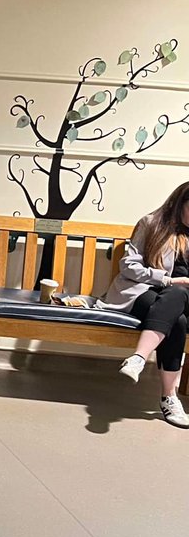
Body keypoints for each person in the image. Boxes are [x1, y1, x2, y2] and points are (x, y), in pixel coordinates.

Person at [101, 181, 189, 427]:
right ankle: (169, 398)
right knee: (176, 315)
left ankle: (139, 357)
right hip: (146, 293)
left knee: (178, 297)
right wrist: (168, 279)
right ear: (179, 204)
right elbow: (128, 264)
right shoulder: (152, 223)